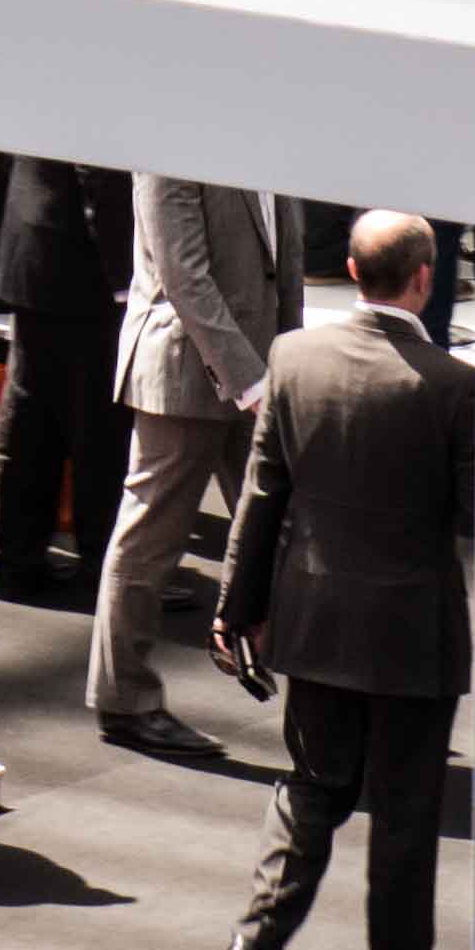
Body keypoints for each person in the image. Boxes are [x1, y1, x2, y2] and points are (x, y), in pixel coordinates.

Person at [213, 208, 475, 950]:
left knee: (311, 789)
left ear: (353, 272)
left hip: (315, 619)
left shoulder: (293, 357)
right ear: (423, 278)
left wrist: (233, 606)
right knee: (404, 818)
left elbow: (262, 494)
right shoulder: (452, 386)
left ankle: (254, 943)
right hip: (412, 634)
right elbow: (474, 516)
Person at [86, 177, 306, 756]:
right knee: (149, 539)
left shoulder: (275, 145)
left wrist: (290, 363)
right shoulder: (171, 151)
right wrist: (250, 382)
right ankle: (124, 702)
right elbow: (184, 277)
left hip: (260, 371)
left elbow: (285, 267)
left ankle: (313, 693)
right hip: (186, 373)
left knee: (286, 532)